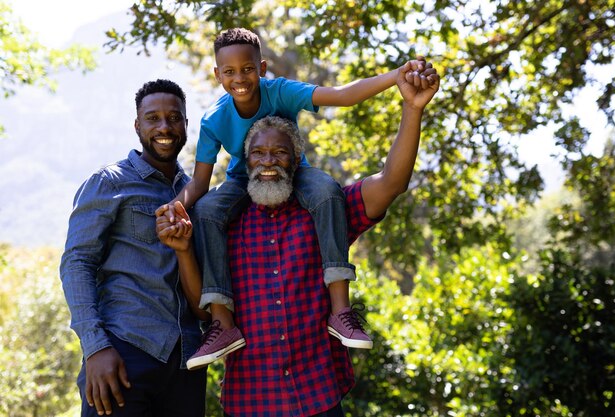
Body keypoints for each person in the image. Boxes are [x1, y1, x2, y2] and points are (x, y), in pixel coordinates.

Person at [157, 57, 440, 416]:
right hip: (251, 401)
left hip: (319, 394)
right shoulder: (223, 222)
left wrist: (412, 110)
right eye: (257, 154)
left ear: (296, 159)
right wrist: (183, 250)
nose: (268, 161)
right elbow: (200, 306)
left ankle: (343, 313)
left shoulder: (325, 209)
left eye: (280, 152)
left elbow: (391, 183)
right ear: (244, 164)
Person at [59, 79, 207, 417]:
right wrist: (96, 348)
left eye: (173, 117)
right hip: (123, 356)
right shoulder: (109, 182)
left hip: (188, 363)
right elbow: (76, 264)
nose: (164, 127)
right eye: (152, 118)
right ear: (137, 125)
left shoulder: (196, 196)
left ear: (186, 124)